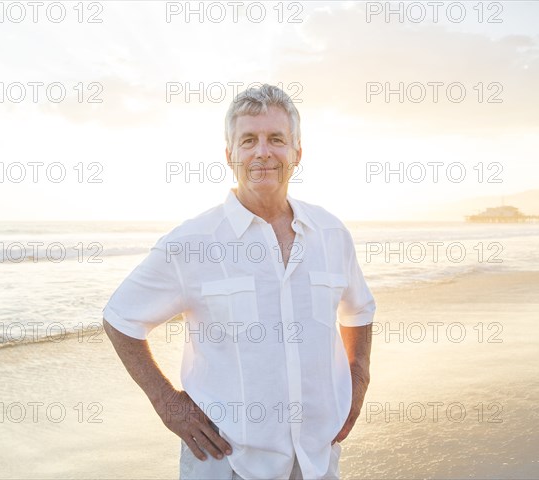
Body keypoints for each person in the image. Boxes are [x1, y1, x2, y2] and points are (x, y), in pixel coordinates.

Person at [102, 84, 376, 480]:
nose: (263, 151)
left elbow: (360, 308)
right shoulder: (192, 243)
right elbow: (120, 318)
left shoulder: (331, 233)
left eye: (276, 139)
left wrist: (358, 377)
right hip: (226, 462)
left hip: (317, 460)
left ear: (297, 153)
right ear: (230, 155)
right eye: (248, 140)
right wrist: (168, 403)